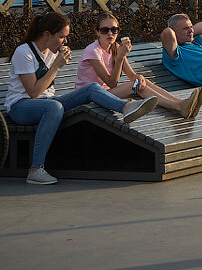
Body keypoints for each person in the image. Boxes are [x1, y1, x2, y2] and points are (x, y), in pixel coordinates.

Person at [6, 13, 158, 185]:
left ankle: (126, 108)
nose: (64, 41)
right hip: (21, 106)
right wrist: (56, 66)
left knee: (91, 88)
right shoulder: (24, 52)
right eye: (61, 37)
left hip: (49, 102)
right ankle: (35, 169)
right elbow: (33, 92)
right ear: (47, 35)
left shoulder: (49, 51)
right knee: (54, 107)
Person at [75, 10, 202, 118]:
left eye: (114, 30)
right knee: (136, 86)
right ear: (97, 32)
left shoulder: (115, 47)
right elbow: (112, 82)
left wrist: (139, 77)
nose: (110, 33)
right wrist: (120, 57)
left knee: (143, 83)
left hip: (108, 93)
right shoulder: (92, 51)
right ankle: (180, 107)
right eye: (105, 30)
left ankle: (182, 103)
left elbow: (131, 75)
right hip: (90, 97)